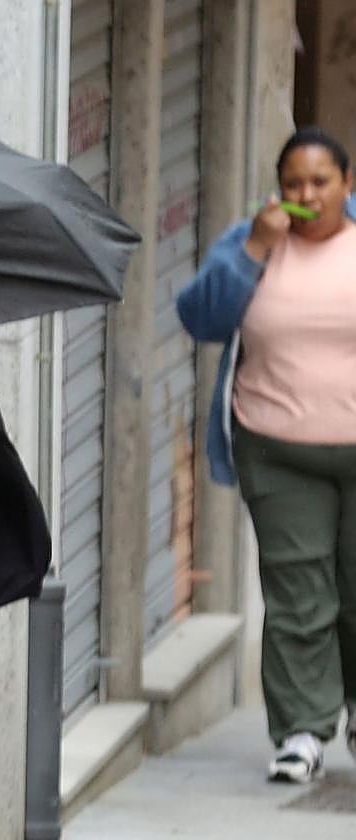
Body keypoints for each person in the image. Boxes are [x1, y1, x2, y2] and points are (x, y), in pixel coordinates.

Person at [176, 126, 356, 783]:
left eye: (320, 183)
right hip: (277, 447)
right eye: (293, 183)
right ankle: (303, 731)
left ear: (346, 185)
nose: (305, 195)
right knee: (299, 591)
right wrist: (255, 246)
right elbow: (200, 319)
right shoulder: (252, 239)